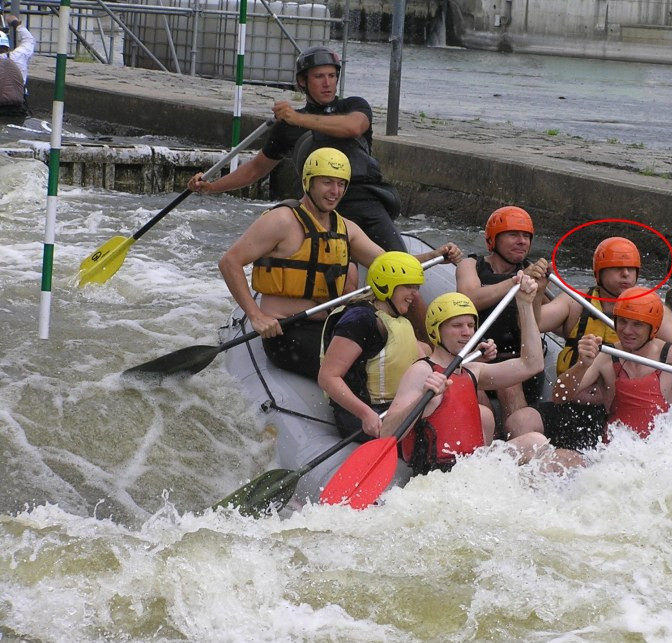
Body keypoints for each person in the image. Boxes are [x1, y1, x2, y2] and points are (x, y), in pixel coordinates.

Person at [219, 148, 460, 380]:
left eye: (341, 184)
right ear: (308, 182)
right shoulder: (282, 220)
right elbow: (230, 262)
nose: (335, 191)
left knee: (412, 350)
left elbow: (390, 263)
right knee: (368, 369)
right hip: (287, 332)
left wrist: (435, 255)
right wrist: (256, 315)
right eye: (327, 182)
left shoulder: (345, 228)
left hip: (330, 325)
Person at [188, 45, 405, 252]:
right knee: (347, 274)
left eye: (332, 76)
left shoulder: (353, 106)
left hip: (366, 200)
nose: (327, 83)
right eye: (319, 77)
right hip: (322, 208)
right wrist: (212, 186)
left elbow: (354, 127)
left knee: (403, 264)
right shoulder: (287, 127)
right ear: (303, 81)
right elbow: (255, 169)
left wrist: (298, 118)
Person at [505, 236, 672, 449]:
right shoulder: (576, 302)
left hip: (619, 411)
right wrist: (538, 292)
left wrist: (661, 362)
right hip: (573, 404)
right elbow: (531, 325)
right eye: (617, 268)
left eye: (631, 269)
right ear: (599, 272)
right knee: (521, 421)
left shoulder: (652, 310)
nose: (625, 274)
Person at [382, 278, 583, 476]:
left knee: (536, 442)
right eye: (457, 325)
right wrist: (422, 400)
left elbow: (532, 364)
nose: (466, 332)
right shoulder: (422, 371)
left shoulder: (472, 371)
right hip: (437, 473)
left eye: (470, 325)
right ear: (436, 330)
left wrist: (525, 305)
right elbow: (387, 433)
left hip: (470, 467)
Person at [552, 287, 672, 439]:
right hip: (619, 452)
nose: (627, 331)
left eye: (637, 324)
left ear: (653, 328)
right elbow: (559, 396)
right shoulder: (605, 356)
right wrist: (582, 365)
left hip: (662, 452)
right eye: (622, 322)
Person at [318, 251, 438, 442]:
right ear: (385, 285)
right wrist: (365, 414)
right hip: (366, 415)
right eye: (408, 286)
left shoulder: (396, 319)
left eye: (417, 287)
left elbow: (420, 356)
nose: (415, 294)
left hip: (397, 406)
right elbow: (327, 377)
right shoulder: (359, 319)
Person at [455, 206, 548, 429]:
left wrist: (539, 292)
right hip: (478, 359)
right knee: (471, 385)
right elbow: (468, 298)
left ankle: (518, 436)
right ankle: (486, 437)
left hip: (519, 364)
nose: (522, 241)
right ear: (493, 240)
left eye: (526, 236)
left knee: (509, 382)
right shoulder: (471, 265)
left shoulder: (533, 272)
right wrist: (515, 281)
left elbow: (531, 327)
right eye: (513, 235)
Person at [0, 15, 34, 118]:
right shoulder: (19, 55)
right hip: (19, 105)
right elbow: (29, 41)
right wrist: (16, 24)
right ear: (7, 46)